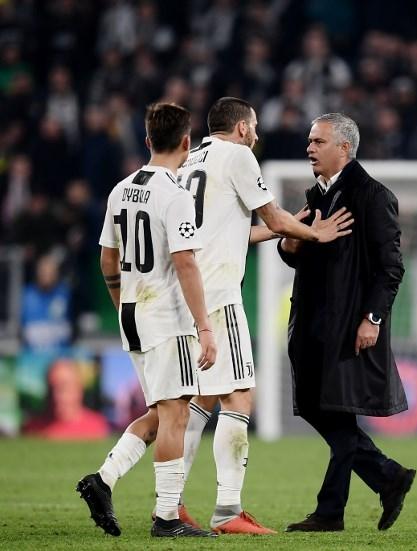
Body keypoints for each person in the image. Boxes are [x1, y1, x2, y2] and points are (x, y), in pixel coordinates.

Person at [76, 97, 353, 537]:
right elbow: (273, 218)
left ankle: (146, 494)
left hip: (164, 297)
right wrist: (313, 231)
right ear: (242, 128)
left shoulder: (185, 164)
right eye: (255, 127)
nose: (258, 135)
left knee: (185, 404)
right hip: (212, 297)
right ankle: (226, 511)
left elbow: (226, 232)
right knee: (239, 396)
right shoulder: (238, 155)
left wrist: (286, 226)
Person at [77, 102, 218, 538]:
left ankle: (103, 480)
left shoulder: (120, 190)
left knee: (161, 413)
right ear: (186, 143)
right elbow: (186, 264)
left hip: (134, 313)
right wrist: (205, 326)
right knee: (176, 414)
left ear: (146, 141)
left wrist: (121, 301)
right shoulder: (175, 196)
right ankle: (167, 518)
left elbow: (107, 257)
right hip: (166, 316)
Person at [279, 113, 416, 533]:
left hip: (346, 326)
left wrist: (371, 318)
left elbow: (390, 268)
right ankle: (387, 476)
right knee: (324, 414)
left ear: (345, 147)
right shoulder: (315, 195)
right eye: (309, 141)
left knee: (336, 416)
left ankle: (331, 511)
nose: (309, 148)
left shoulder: (372, 196)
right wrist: (291, 240)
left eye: (318, 141)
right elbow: (295, 253)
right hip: (309, 323)